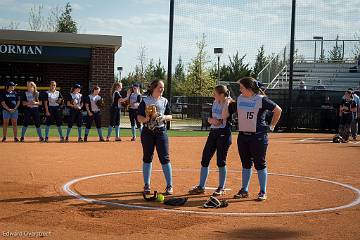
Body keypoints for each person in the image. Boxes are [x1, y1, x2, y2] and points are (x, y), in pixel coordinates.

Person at [233, 77, 282, 201]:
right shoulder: (239, 98)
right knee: (245, 164)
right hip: (243, 136)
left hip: (258, 137)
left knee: (259, 164)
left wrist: (271, 126)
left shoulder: (261, 99)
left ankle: (262, 191)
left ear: (249, 88)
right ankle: (244, 190)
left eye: (242, 87)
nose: (240, 90)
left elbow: (278, 110)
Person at [188, 85, 236, 196]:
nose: (213, 95)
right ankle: (201, 186)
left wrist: (227, 102)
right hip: (213, 133)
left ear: (222, 94)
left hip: (224, 134)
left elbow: (224, 116)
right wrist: (212, 121)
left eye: (215, 93)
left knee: (220, 161)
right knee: (205, 159)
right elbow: (210, 118)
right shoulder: (215, 102)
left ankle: (221, 187)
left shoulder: (230, 104)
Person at [137, 79, 173, 195]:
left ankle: (169, 185)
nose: (162, 89)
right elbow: (139, 117)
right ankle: (147, 185)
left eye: (163, 87)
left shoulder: (164, 101)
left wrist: (163, 117)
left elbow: (170, 116)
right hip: (148, 131)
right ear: (153, 88)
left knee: (165, 158)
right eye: (160, 87)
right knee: (147, 157)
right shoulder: (145, 100)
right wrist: (147, 118)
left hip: (161, 131)